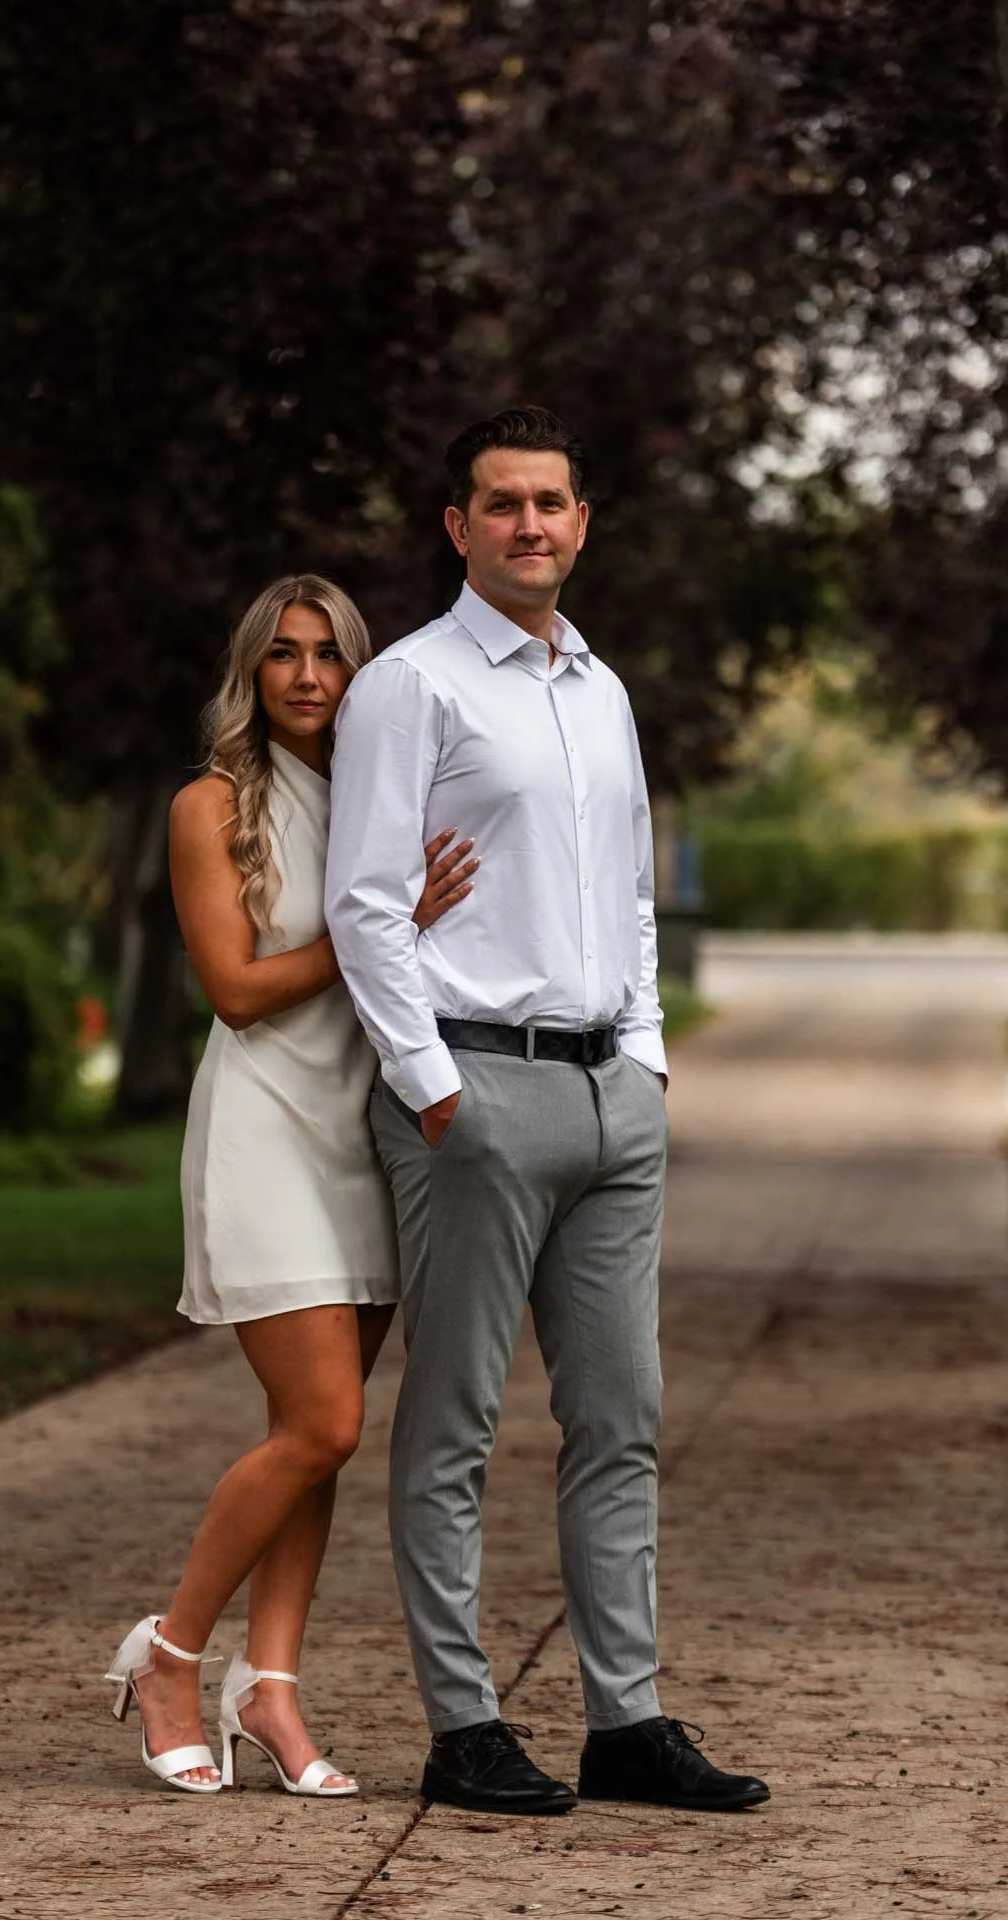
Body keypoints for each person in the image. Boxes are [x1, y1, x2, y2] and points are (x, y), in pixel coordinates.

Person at [325, 407, 769, 1817]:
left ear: (582, 523)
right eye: (502, 503)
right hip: (474, 1093)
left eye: (551, 502)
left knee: (621, 1420)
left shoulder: (600, 688)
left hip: (606, 1098)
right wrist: (434, 1089)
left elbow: (629, 893)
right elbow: (364, 904)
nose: (530, 524)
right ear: (458, 527)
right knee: (452, 1425)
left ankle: (624, 1724)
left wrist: (642, 1059)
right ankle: (461, 1725)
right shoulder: (409, 685)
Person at [104, 573, 478, 1797]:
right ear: (251, 672)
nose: (307, 675)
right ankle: (168, 1655)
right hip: (265, 1128)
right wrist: (382, 926)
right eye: (283, 654)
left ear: (358, 674)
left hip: (366, 1133)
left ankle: (270, 1688)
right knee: (324, 1423)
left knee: (309, 1442)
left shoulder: (383, 799)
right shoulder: (209, 805)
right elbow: (235, 990)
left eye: (329, 654)